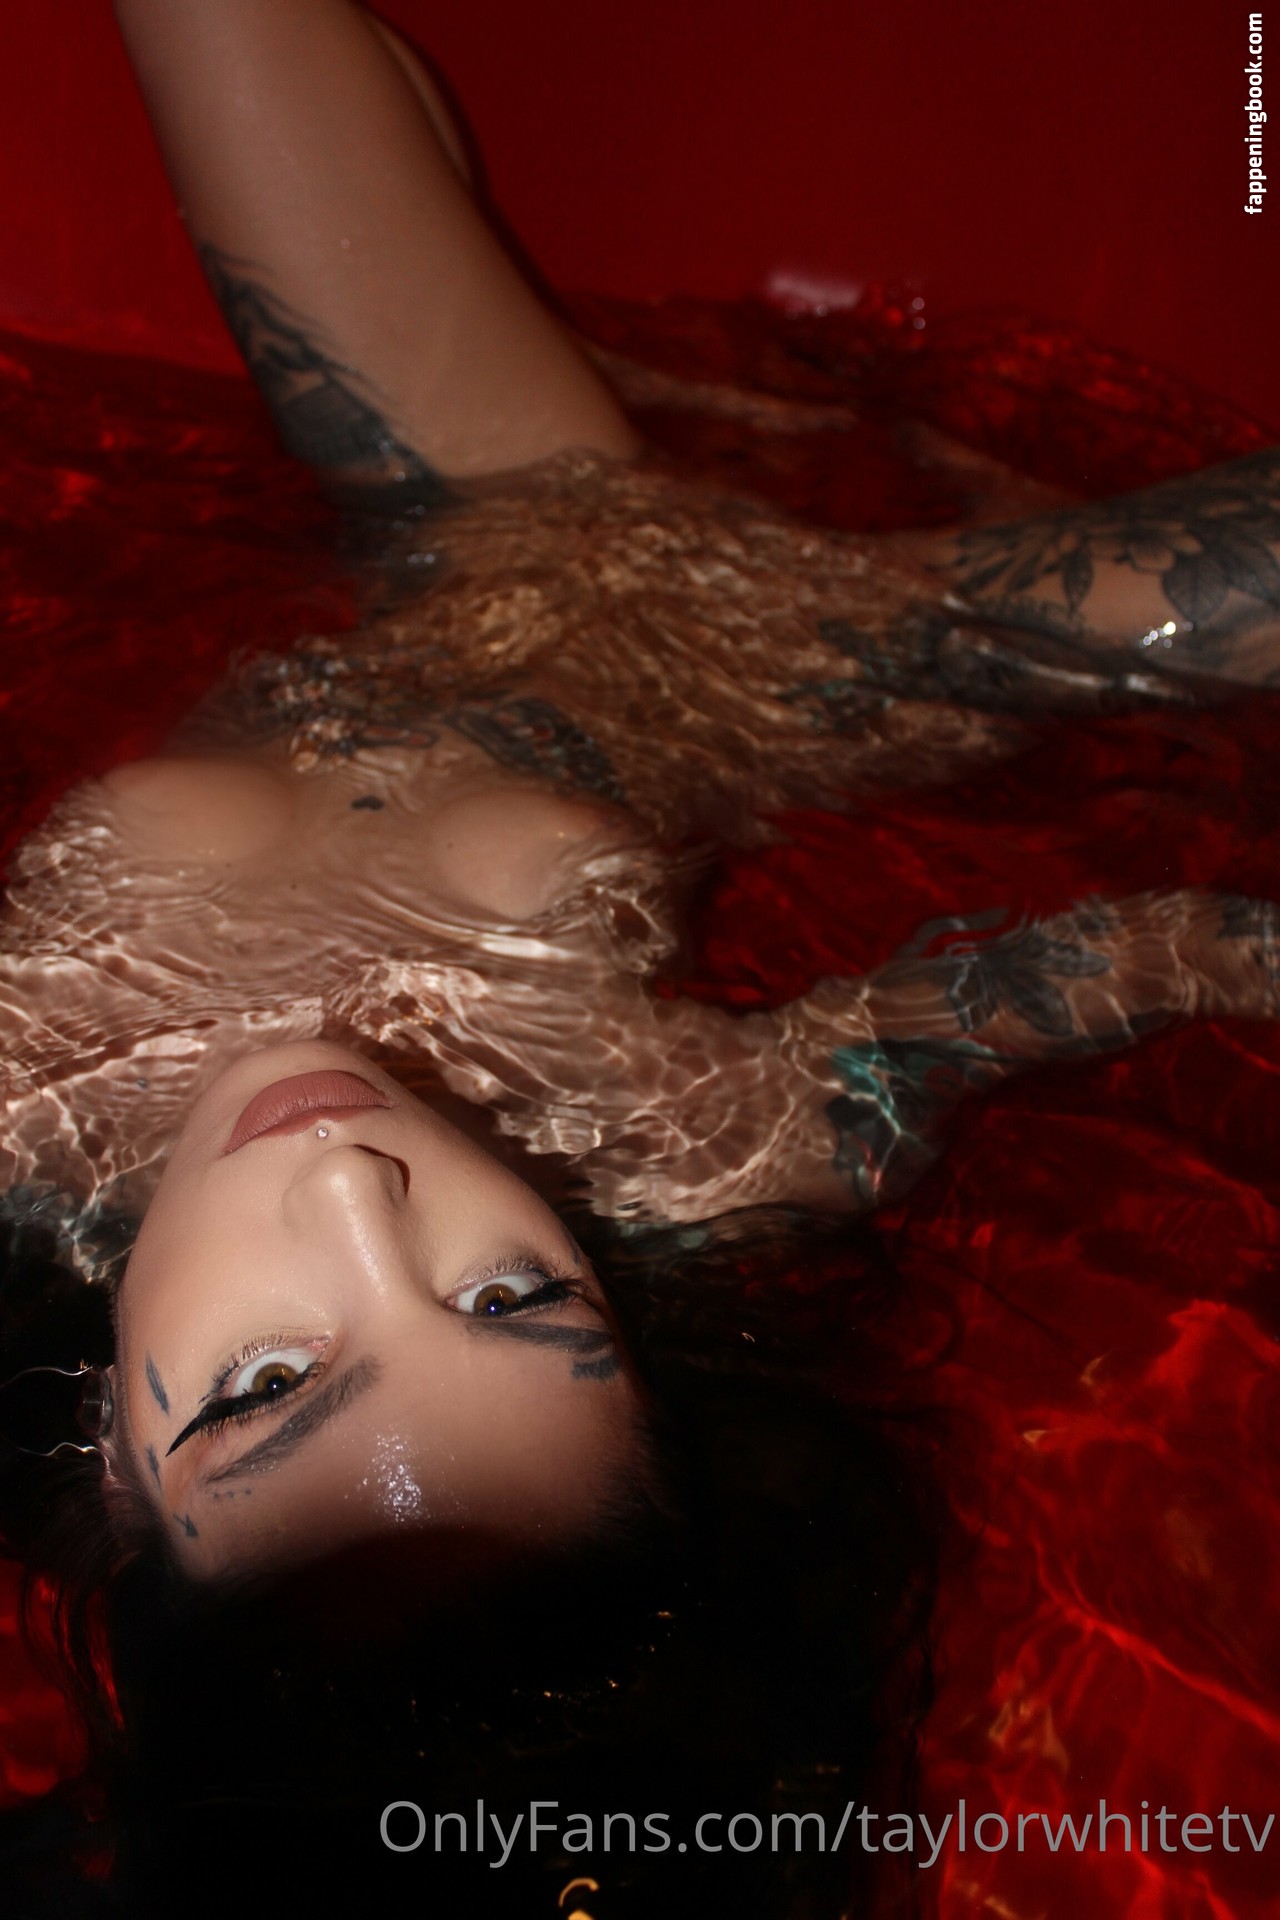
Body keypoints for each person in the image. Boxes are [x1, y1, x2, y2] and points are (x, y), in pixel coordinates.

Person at [0, 1, 1278, 1910]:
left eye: (263, 1386)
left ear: (115, 1464)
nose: (356, 1192)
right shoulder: (690, 1155)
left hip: (466, 505)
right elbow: (1041, 980)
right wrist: (1248, 947)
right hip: (832, 653)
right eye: (517, 1300)